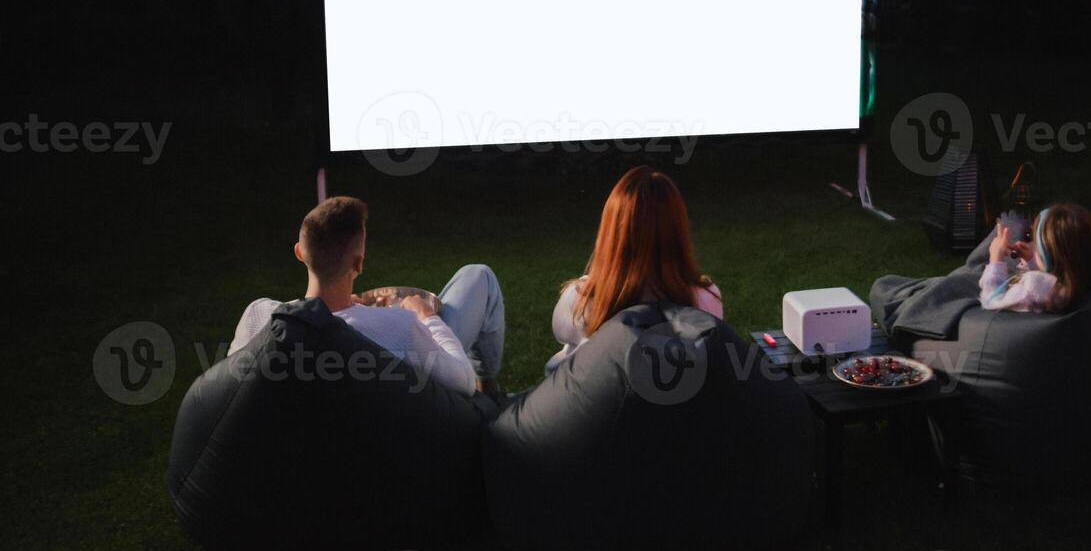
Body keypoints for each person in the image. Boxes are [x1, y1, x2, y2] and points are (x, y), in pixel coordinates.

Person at [229, 196, 505, 397]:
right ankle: (491, 395)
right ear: (358, 264)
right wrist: (429, 318)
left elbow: (228, 385)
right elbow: (462, 380)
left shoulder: (258, 315)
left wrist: (347, 306)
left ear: (300, 253)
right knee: (479, 277)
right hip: (421, 404)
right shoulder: (399, 328)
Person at [545, 165, 722, 376]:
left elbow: (561, 333)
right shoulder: (705, 298)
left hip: (597, 404)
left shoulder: (580, 298)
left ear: (611, 234)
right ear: (679, 231)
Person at [979, 203, 1091, 313]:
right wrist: (1032, 260)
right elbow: (1058, 273)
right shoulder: (1089, 278)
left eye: (1036, 243)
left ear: (1048, 258)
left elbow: (991, 301)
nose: (1033, 245)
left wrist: (995, 259)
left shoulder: (1034, 288)